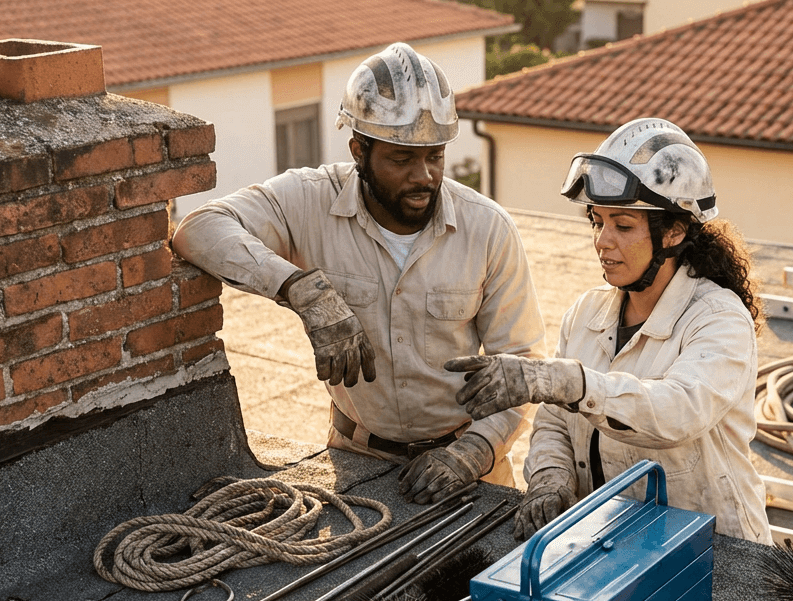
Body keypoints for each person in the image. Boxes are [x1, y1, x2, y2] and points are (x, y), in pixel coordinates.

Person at [171, 42, 544, 504]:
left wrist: (472, 452)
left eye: (434, 156)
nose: (424, 176)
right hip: (356, 462)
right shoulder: (307, 200)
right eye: (401, 160)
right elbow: (199, 229)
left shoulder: (487, 228)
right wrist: (302, 290)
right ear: (359, 151)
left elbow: (522, 363)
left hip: (472, 469)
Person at [445, 118, 773, 544]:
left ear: (673, 231)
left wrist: (565, 381)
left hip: (716, 547)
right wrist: (551, 477)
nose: (602, 240)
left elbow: (678, 411)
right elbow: (555, 423)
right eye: (597, 222)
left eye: (622, 225)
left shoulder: (718, 318)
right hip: (612, 539)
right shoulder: (586, 312)